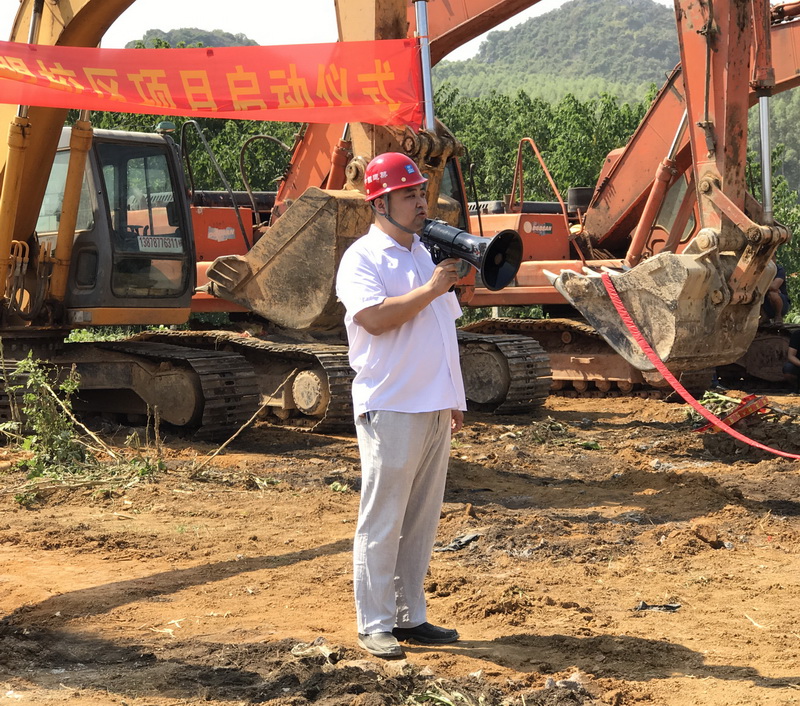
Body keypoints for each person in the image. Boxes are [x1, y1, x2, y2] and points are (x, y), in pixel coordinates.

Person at [335, 152, 467, 660]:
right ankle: (374, 623)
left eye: (421, 192)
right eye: (409, 194)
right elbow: (372, 319)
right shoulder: (363, 258)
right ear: (379, 203)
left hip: (433, 406)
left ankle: (410, 615)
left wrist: (453, 397)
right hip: (391, 405)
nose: (421, 202)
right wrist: (431, 288)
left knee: (420, 520)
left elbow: (443, 329)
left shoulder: (422, 255)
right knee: (384, 518)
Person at [762, 260, 790, 325]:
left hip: (782, 304)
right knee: (756, 295)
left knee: (772, 293)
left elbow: (774, 287)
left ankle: (778, 316)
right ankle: (763, 316)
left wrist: (763, 287)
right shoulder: (759, 270)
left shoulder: (779, 270)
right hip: (765, 303)